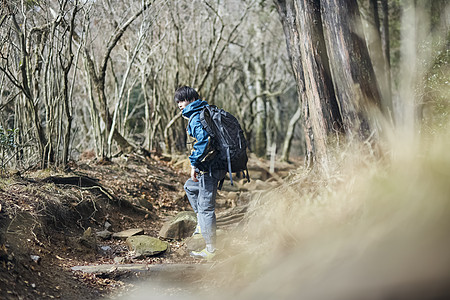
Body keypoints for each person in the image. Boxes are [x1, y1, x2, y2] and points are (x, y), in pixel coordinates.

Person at [174, 86, 226, 260]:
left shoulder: (197, 117)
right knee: (190, 186)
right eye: (178, 101)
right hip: (216, 164)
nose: (180, 104)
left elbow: (203, 142)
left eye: (182, 100)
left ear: (192, 99)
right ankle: (201, 226)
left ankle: (211, 250)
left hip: (210, 167)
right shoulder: (204, 112)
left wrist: (194, 164)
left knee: (206, 208)